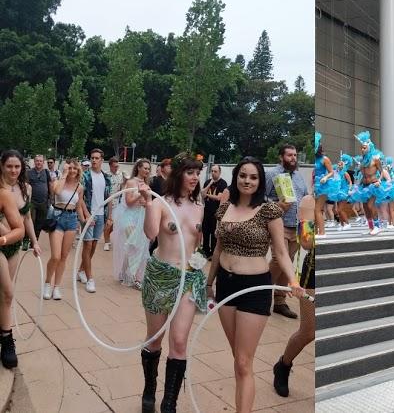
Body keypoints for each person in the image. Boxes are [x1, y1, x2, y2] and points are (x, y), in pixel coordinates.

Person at [208, 157, 305, 413]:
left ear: (260, 181)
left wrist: (293, 281)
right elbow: (218, 248)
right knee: (238, 360)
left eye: (252, 177)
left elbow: (281, 253)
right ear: (236, 177)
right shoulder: (224, 207)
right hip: (226, 287)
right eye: (242, 175)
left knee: (243, 361)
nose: (247, 181)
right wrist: (209, 283)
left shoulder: (269, 210)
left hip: (255, 288)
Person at [139, 154, 207, 413]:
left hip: (188, 279)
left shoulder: (200, 205)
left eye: (197, 173)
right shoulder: (160, 203)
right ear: (178, 174)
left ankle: (170, 402)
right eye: (190, 172)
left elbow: (196, 243)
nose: (194, 177)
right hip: (160, 277)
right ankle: (149, 389)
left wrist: (198, 260)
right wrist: (147, 204)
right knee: (155, 339)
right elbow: (150, 233)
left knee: (179, 342)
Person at [272, 188, 315, 397]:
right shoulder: (309, 201)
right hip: (315, 271)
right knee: (309, 331)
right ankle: (283, 365)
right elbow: (306, 242)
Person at [0, 150, 39, 370]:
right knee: (7, 292)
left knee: (5, 296)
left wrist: (34, 242)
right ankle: (7, 339)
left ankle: (4, 338)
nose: (14, 170)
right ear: (2, 167)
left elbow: (26, 219)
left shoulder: (26, 188)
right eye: (9, 166)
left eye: (17, 166)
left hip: (13, 246)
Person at [265, 143, 309, 319]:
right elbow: (262, 197)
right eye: (289, 155)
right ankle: (263, 293)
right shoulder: (272, 174)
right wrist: (277, 204)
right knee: (278, 260)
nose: (293, 158)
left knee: (288, 263)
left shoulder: (298, 176)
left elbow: (305, 197)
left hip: (297, 226)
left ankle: (280, 301)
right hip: (279, 224)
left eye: (295, 155)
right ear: (281, 157)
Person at [44, 157, 88, 301]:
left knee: (63, 256)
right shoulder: (58, 182)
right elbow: (56, 191)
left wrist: (85, 220)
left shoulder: (79, 187)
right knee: (55, 256)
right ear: (66, 169)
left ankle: (57, 287)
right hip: (57, 217)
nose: (73, 171)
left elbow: (79, 205)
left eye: (75, 168)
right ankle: (47, 283)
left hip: (71, 220)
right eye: (71, 168)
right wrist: (63, 174)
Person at [78, 147, 112, 294]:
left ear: (101, 160)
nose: (94, 160)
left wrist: (109, 216)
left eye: (97, 158)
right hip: (88, 214)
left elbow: (109, 198)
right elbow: (80, 198)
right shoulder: (85, 176)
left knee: (93, 246)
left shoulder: (106, 178)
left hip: (101, 215)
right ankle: (90, 278)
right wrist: (86, 215)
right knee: (87, 245)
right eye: (92, 158)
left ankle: (81, 270)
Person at [113, 158, 150, 289]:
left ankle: (129, 273)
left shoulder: (147, 184)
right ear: (138, 168)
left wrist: (145, 201)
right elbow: (128, 201)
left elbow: (147, 202)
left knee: (139, 246)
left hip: (141, 217)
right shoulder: (130, 182)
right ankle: (132, 276)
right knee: (132, 244)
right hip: (128, 217)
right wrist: (140, 194)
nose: (147, 170)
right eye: (145, 168)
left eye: (148, 169)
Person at [201, 163, 228, 257]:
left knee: (213, 233)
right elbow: (202, 194)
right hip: (206, 211)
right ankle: (205, 251)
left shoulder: (222, 183)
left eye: (215, 171)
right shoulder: (208, 182)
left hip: (216, 212)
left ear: (219, 172)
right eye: (212, 171)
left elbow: (219, 198)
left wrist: (207, 195)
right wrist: (210, 184)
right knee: (205, 231)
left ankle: (213, 252)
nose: (213, 173)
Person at [102, 155, 127, 251]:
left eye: (117, 166)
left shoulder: (120, 174)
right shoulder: (106, 175)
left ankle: (109, 238)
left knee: (116, 224)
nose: (116, 168)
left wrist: (125, 182)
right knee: (109, 223)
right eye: (114, 166)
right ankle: (106, 242)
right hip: (109, 201)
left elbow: (122, 188)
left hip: (119, 201)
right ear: (110, 166)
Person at [26, 153, 52, 236]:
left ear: (43, 162)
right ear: (34, 161)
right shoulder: (29, 172)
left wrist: (51, 198)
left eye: (40, 161)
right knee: (31, 220)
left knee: (40, 221)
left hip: (44, 202)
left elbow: (50, 184)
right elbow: (26, 186)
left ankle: (36, 239)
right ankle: (28, 238)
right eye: (37, 161)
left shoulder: (46, 172)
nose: (39, 162)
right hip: (32, 201)